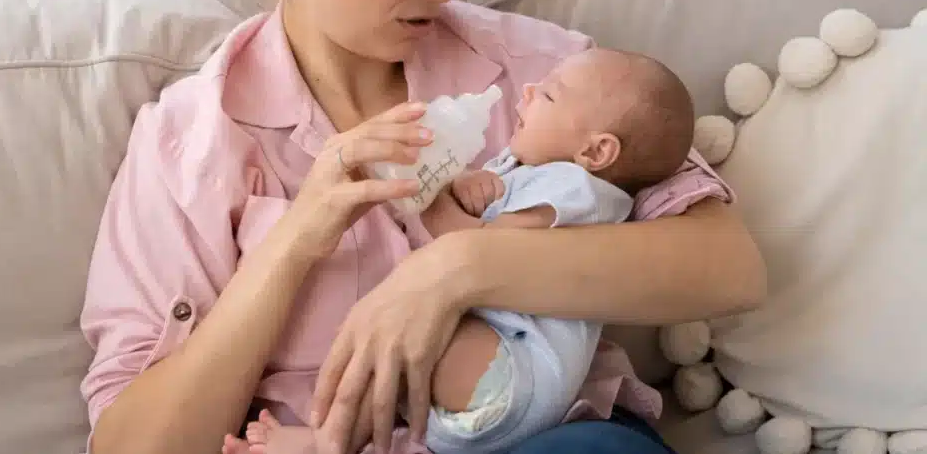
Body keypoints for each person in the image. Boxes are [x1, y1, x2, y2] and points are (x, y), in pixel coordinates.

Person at [78, 0, 768, 454]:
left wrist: (459, 266)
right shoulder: (192, 140)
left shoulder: (539, 76)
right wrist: (297, 239)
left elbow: (729, 267)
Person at [228, 47, 698, 454]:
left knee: (398, 344)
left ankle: (328, 441)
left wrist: (428, 197)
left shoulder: (578, 189)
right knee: (399, 352)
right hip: (497, 373)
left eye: (550, 94)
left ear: (596, 153)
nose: (529, 90)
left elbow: (484, 248)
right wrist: (465, 183)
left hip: (516, 373)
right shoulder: (529, 173)